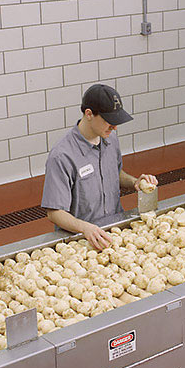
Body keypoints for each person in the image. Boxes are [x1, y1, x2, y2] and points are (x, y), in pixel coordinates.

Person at [41, 84, 157, 250]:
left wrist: (134, 182)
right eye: (109, 121)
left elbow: (114, 173)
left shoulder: (111, 139)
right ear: (89, 114)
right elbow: (54, 213)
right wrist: (85, 228)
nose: (115, 127)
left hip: (115, 232)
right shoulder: (62, 156)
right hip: (83, 241)